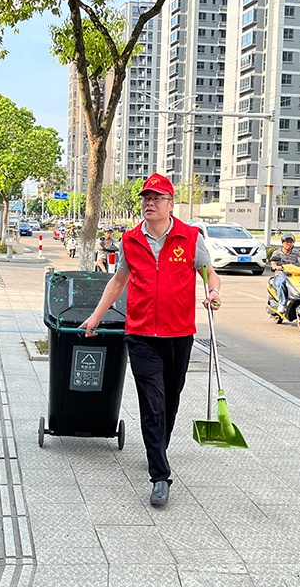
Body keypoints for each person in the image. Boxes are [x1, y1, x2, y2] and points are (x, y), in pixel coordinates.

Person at [80, 173, 221, 507]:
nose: (150, 203)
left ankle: (159, 446)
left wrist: (214, 292)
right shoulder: (130, 240)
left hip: (179, 334)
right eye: (146, 198)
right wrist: (96, 315)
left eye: (157, 198)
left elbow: (208, 273)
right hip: (141, 333)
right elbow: (118, 281)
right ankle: (159, 475)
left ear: (171, 203)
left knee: (170, 400)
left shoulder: (190, 237)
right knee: (152, 402)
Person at [270, 233, 300, 314]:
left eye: (291, 242)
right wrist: (276, 267)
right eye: (286, 242)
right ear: (282, 243)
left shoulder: (296, 253)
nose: (288, 244)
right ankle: (282, 304)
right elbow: (273, 263)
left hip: (295, 276)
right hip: (281, 276)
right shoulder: (277, 253)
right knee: (282, 282)